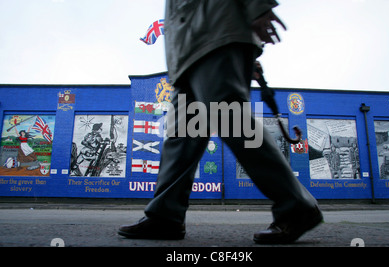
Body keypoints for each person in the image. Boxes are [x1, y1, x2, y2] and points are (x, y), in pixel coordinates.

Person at [119, 0, 323, 244]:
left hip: (216, 32)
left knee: (230, 118)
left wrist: (256, 6)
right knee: (182, 135)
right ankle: (165, 216)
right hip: (189, 52)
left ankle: (297, 207)